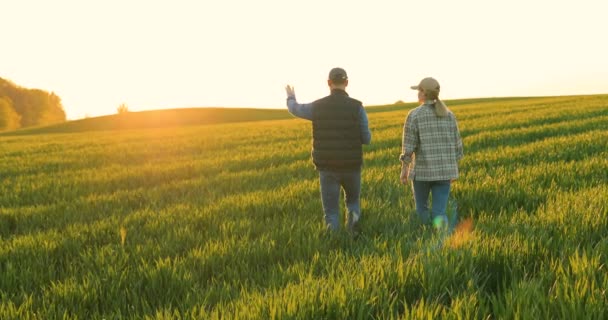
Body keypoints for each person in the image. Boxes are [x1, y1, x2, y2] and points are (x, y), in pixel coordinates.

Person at [285, 67, 371, 235]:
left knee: (331, 211)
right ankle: (353, 233)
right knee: (353, 203)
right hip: (352, 166)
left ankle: (334, 240)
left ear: (329, 83)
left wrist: (290, 97)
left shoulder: (317, 107)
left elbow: (295, 109)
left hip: (327, 167)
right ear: (346, 83)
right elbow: (367, 139)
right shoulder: (357, 107)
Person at [399, 77, 463, 229]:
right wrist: (452, 170)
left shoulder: (414, 115)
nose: (417, 94)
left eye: (418, 91)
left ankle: (425, 236)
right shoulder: (449, 115)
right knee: (440, 212)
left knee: (422, 209)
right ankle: (443, 241)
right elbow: (457, 146)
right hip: (445, 173)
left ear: (423, 93)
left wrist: (404, 170)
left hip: (422, 173)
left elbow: (408, 146)